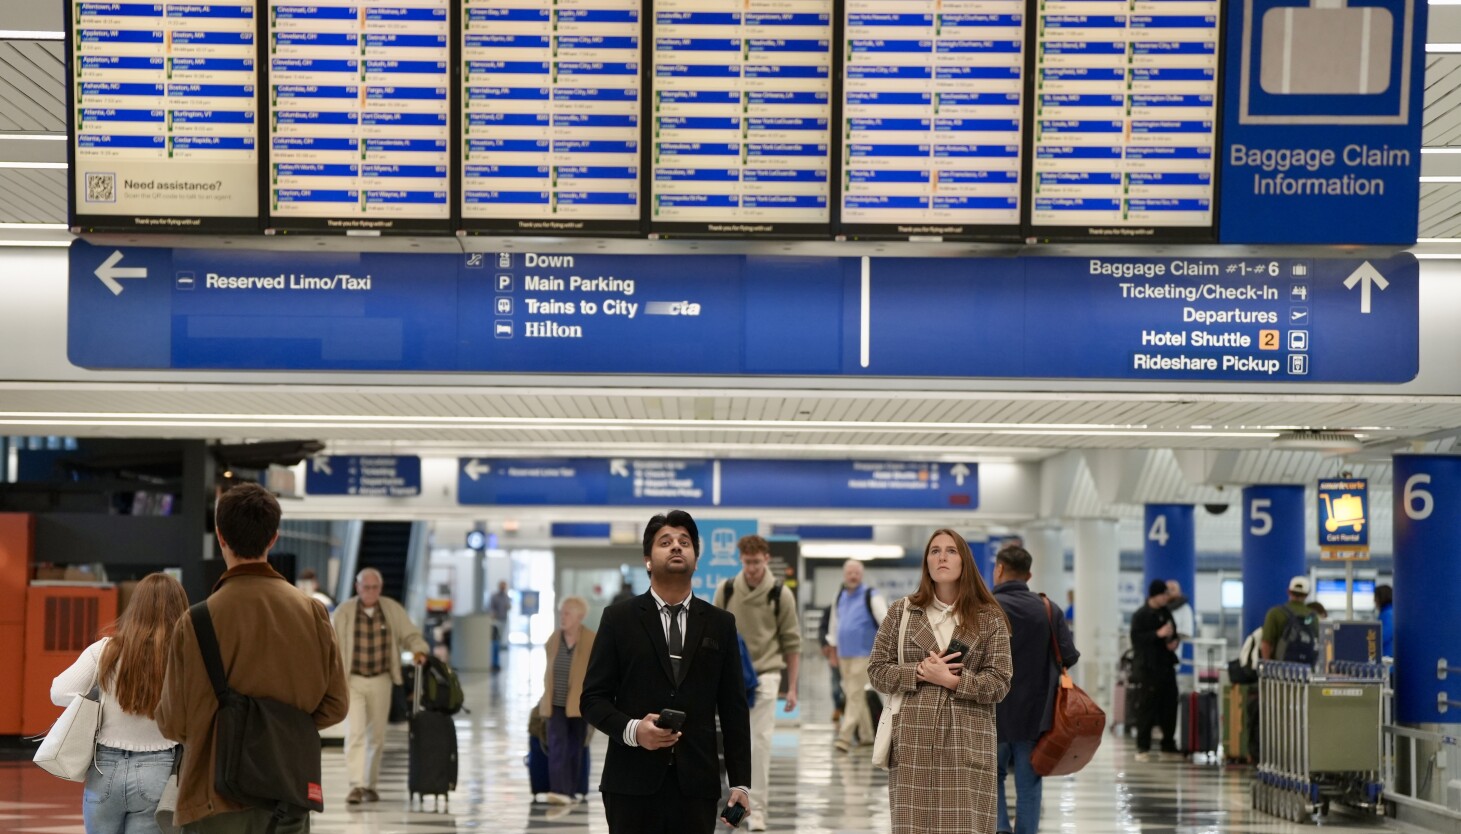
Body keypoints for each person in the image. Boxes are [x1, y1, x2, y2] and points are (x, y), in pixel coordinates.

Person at [157, 483, 349, 833]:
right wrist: (278, 727)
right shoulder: (313, 613)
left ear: (220, 537)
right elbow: (335, 705)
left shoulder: (195, 621)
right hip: (287, 792)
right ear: (273, 539)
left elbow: (172, 722)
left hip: (211, 799)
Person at [580, 510, 752, 834]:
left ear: (696, 559)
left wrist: (741, 782)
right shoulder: (618, 619)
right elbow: (592, 699)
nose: (676, 547)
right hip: (630, 783)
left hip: (697, 785)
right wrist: (633, 730)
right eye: (665, 542)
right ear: (648, 559)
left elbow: (733, 708)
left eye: (684, 542)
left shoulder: (720, 623)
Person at [868, 529, 1012, 834]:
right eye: (934, 551)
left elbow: (1000, 681)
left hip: (967, 740)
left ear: (964, 562)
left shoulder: (989, 618)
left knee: (965, 826)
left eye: (950, 551)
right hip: (913, 742)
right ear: (926, 562)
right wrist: (918, 671)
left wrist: (952, 681)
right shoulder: (901, 612)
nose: (942, 557)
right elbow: (877, 670)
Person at [52, 573, 189, 834]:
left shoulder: (105, 651)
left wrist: (102, 695)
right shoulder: (185, 656)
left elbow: (58, 692)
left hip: (105, 769)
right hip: (158, 770)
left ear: (134, 607)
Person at [713, 535, 801, 832]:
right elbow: (711, 637)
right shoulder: (725, 590)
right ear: (741, 560)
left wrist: (792, 688)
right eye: (747, 562)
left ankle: (757, 811)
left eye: (756, 562)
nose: (751, 568)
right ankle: (734, 805)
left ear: (766, 558)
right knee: (733, 742)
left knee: (759, 743)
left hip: (765, 673)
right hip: (732, 677)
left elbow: (792, 642)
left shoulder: (779, 594)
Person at [991, 545, 1078, 834]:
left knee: (992, 777)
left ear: (999, 569)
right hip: (1036, 715)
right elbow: (1068, 656)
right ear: (1029, 575)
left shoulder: (982, 607)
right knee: (1029, 784)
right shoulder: (1049, 609)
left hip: (991, 711)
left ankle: (1001, 829)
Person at [331, 568, 430, 805]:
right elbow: (330, 642)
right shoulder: (344, 611)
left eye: (375, 587)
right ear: (357, 587)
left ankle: (370, 785)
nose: (370, 592)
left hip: (382, 679)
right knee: (355, 732)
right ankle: (356, 786)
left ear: (380, 588)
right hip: (352, 680)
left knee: (376, 735)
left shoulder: (391, 609)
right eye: (366, 587)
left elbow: (410, 634)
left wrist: (419, 650)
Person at [538, 595, 597, 806]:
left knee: (575, 747)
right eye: (562, 613)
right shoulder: (554, 638)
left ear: (579, 616)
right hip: (555, 703)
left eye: (567, 613)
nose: (563, 617)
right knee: (556, 745)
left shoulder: (591, 640)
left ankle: (571, 790)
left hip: (579, 705)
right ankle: (559, 790)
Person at [826, 559, 887, 753]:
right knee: (856, 694)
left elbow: (885, 623)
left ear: (861, 575)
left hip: (865, 654)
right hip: (844, 654)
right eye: (849, 572)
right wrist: (832, 651)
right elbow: (834, 625)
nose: (853, 576)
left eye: (856, 573)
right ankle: (867, 736)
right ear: (844, 574)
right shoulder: (839, 596)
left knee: (853, 694)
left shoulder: (871, 595)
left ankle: (844, 737)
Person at [1129, 580, 1180, 761]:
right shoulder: (1141, 615)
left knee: (1170, 706)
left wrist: (1173, 642)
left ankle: (1168, 744)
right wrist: (1156, 634)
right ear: (1154, 595)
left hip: (1166, 666)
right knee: (1146, 708)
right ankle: (1143, 747)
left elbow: (1174, 633)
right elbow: (1136, 639)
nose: (1166, 598)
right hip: (1148, 669)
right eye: (1163, 595)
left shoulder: (1166, 613)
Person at [1260, 576, 1319, 663]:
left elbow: (1266, 642)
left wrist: (1266, 665)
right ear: (1307, 594)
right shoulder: (1313, 617)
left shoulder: (1275, 613)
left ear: (1288, 591)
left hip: (1281, 669)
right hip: (1306, 669)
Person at [816, 602, 845, 723]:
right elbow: (823, 628)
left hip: (853, 654)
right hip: (835, 652)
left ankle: (847, 710)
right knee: (835, 685)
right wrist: (825, 644)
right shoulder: (831, 609)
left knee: (852, 687)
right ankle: (838, 708)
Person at [489, 580, 512, 672]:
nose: (503, 587)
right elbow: (491, 608)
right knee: (494, 642)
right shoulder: (494, 597)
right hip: (496, 621)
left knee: (499, 643)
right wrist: (493, 614)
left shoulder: (506, 597)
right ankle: (493, 663)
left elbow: (509, 607)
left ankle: (497, 663)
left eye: (504, 586)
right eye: (502, 585)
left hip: (503, 620)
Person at [1375, 584, 1394, 658]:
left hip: (1387, 659)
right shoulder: (1390, 612)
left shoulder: (1388, 614)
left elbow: (1381, 637)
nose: (1374, 601)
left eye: (1375, 597)